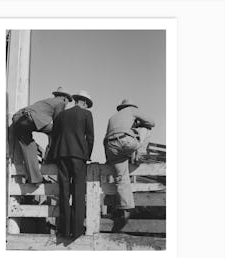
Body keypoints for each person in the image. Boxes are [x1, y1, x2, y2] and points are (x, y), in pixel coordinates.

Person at [103, 99, 155, 232]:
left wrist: (108, 159)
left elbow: (105, 139)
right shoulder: (132, 110)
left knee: (121, 177)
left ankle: (125, 210)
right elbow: (152, 122)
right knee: (146, 129)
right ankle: (139, 155)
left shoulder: (112, 117)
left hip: (111, 147)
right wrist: (138, 123)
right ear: (130, 106)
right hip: (126, 143)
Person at [49, 90, 94, 238]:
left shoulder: (62, 114)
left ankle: (64, 229)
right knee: (78, 192)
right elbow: (90, 137)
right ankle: (76, 230)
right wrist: (87, 155)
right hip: (78, 156)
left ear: (76, 100)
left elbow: (54, 136)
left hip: (62, 155)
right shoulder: (86, 114)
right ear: (85, 103)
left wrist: (53, 156)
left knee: (64, 191)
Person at [12, 87, 72, 184]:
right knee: (59, 131)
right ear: (64, 98)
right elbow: (58, 123)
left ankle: (35, 179)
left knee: (29, 147)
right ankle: (51, 158)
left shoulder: (46, 101)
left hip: (18, 119)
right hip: (30, 118)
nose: (67, 104)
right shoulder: (60, 103)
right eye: (68, 101)